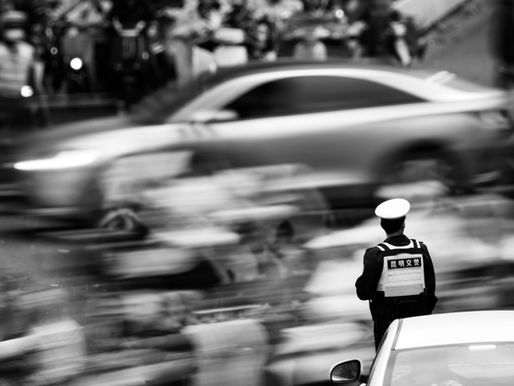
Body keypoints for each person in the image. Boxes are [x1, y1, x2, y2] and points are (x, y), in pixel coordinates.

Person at [355, 198, 437, 350]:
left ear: (382, 225)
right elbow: (431, 289)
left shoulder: (376, 254)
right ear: (403, 224)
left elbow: (363, 292)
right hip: (418, 324)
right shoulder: (421, 249)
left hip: (388, 327)